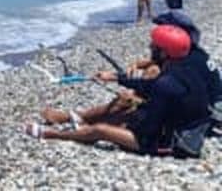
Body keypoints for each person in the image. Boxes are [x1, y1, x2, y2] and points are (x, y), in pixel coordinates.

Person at [25, 25, 209, 156]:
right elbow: (151, 88)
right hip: (187, 129)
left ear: (164, 53)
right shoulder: (185, 68)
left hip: (174, 143)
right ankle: (79, 122)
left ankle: (52, 134)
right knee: (127, 110)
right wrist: (119, 80)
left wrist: (122, 124)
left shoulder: (166, 83)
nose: (150, 47)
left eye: (155, 46)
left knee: (101, 129)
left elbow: (147, 131)